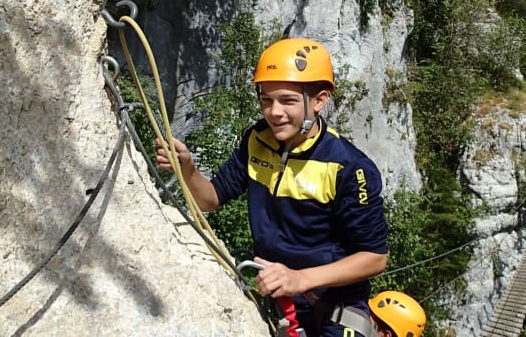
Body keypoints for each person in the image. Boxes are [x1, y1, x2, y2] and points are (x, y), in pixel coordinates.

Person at [156, 37, 388, 337]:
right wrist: (187, 169)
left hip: (333, 308)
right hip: (278, 299)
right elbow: (209, 200)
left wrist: (300, 279)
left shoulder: (347, 166)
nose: (274, 112)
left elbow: (374, 258)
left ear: (318, 100)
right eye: (266, 99)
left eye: (287, 101)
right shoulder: (257, 140)